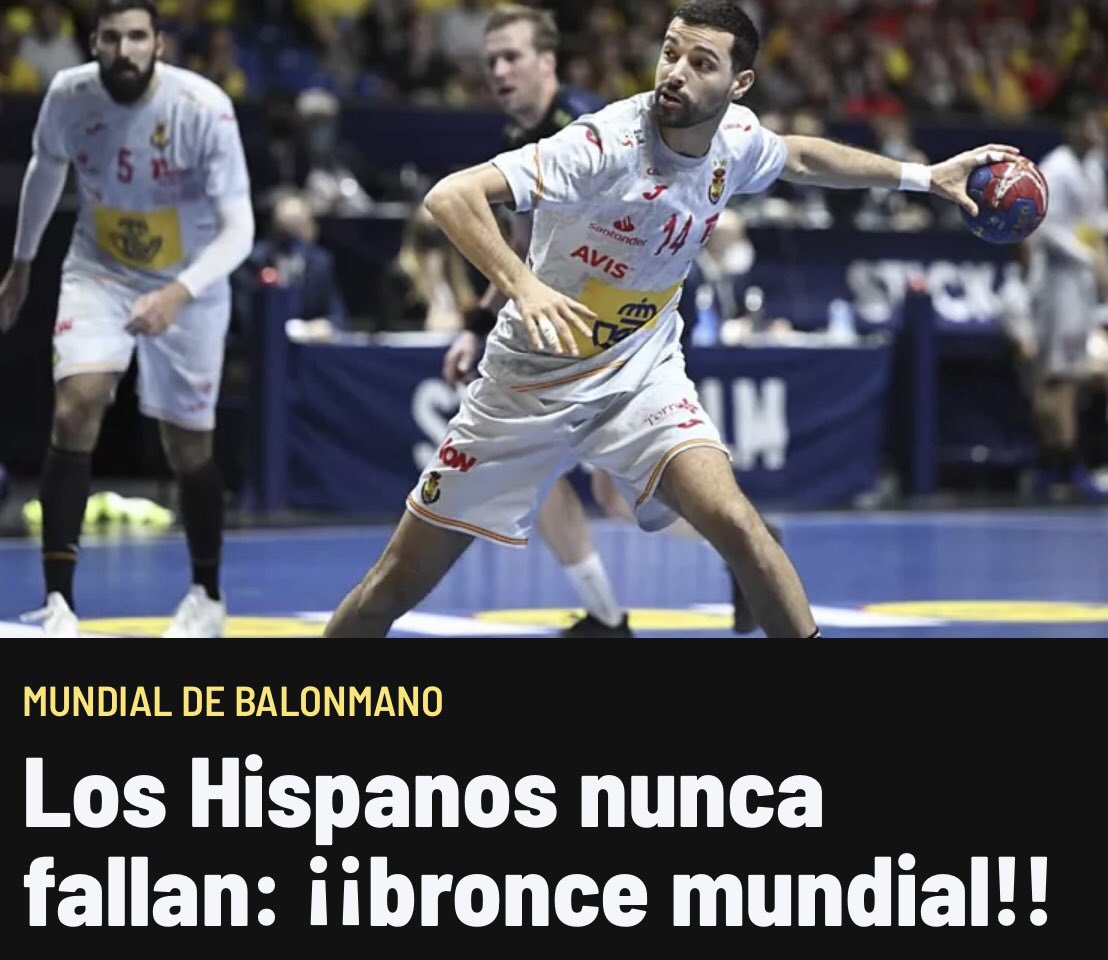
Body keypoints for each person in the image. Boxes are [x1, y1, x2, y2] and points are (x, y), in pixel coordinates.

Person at [324, 0, 1019, 640]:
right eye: (671, 53)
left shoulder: (734, 141)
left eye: (701, 62)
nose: (676, 73)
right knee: (392, 588)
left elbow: (801, 156)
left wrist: (924, 177)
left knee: (742, 527)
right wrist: (521, 286)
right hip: (528, 383)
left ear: (739, 85)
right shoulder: (603, 145)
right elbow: (451, 196)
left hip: (639, 373)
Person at [0, 0, 254, 638]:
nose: (125, 50)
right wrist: (23, 264)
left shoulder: (202, 108)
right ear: (94, 44)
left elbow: (241, 229)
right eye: (111, 38)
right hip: (101, 268)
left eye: (137, 37)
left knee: (187, 444)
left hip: (190, 278)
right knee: (75, 406)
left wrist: (179, 293)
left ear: (159, 44)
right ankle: (59, 604)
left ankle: (207, 595)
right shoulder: (69, 95)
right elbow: (45, 169)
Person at [441, 4, 632, 638]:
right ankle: (607, 617)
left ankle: (743, 539)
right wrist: (475, 323)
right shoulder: (517, 147)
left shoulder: (587, 128)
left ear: (546, 62)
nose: (499, 70)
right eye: (491, 59)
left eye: (512, 56)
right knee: (535, 473)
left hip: (615, 330)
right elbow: (521, 252)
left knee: (616, 494)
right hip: (558, 330)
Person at [1026, 101, 1108, 501]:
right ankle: (1060, 463)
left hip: (1080, 282)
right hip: (1058, 281)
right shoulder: (1055, 168)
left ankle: (1059, 463)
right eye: (1092, 122)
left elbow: (1093, 218)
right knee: (1059, 376)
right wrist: (1091, 258)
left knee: (1070, 374)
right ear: (1075, 126)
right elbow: (1047, 228)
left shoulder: (1093, 166)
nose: (1098, 131)